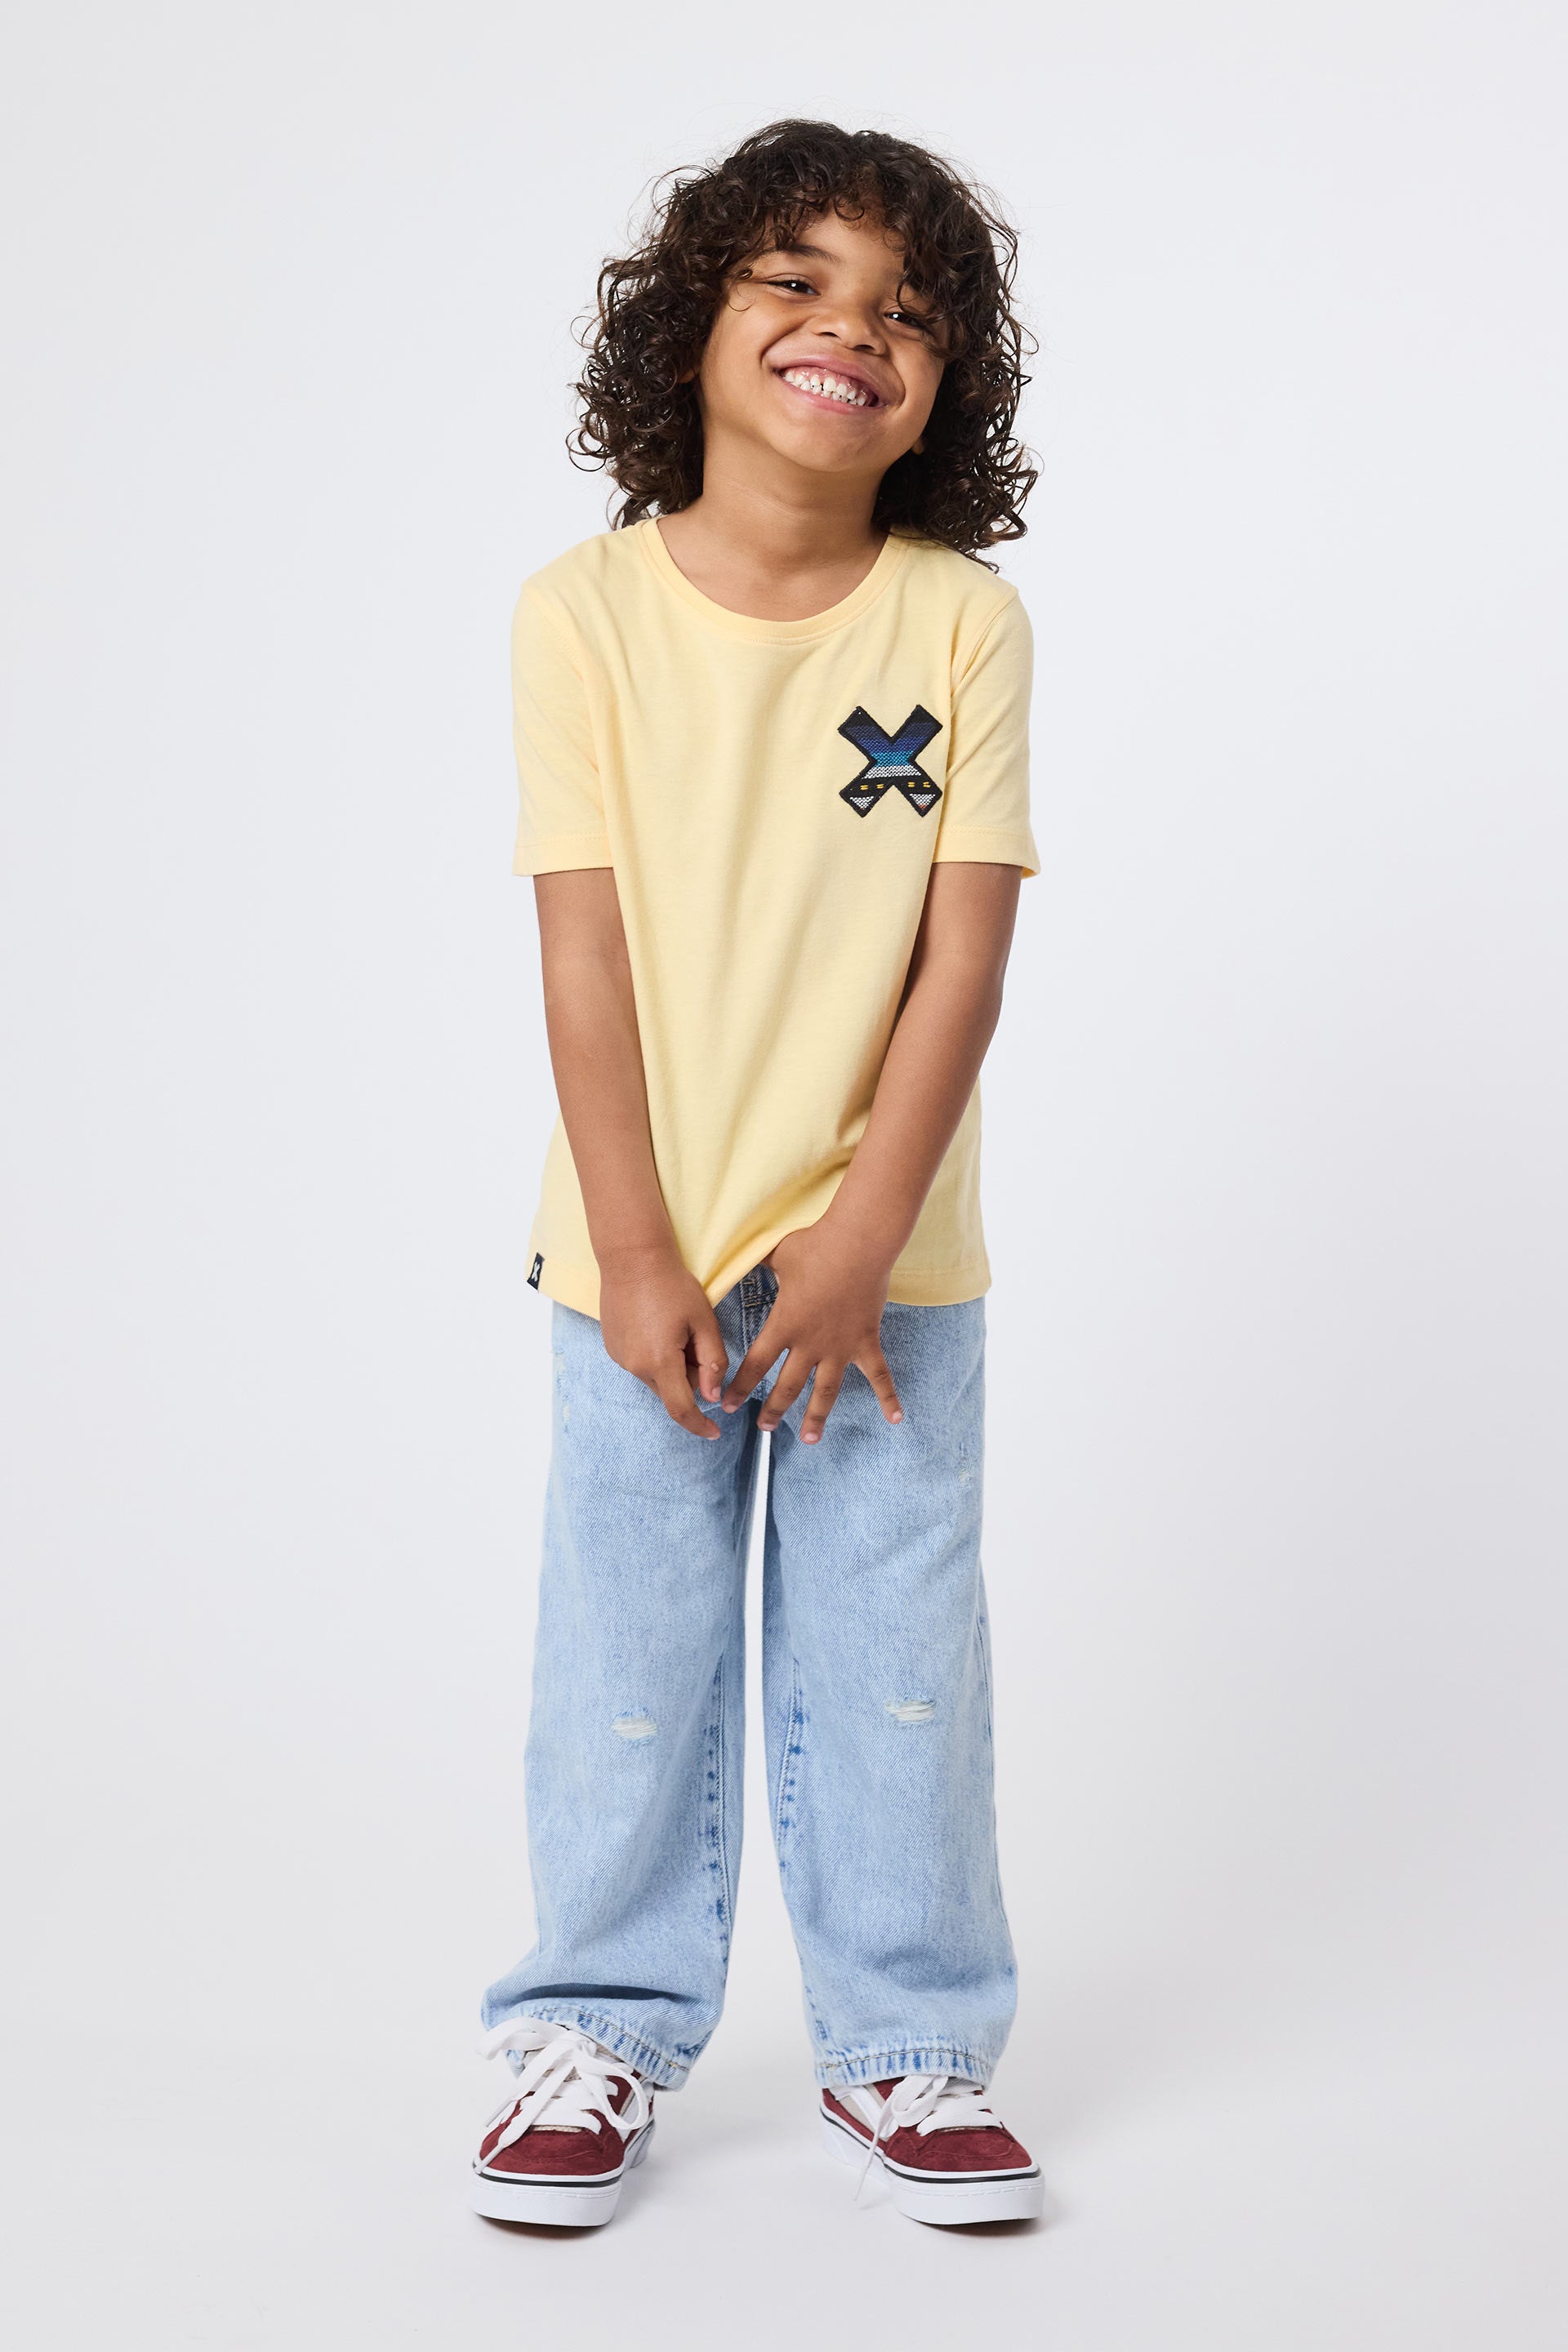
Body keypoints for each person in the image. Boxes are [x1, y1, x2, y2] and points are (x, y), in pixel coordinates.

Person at [472, 118, 1043, 2230]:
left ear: (945, 387)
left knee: (898, 1663)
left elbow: (961, 965)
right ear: (692, 325)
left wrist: (862, 1236)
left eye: (908, 313)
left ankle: (909, 2043)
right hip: (636, 1257)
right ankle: (595, 2027)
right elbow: (584, 954)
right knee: (628, 1659)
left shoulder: (964, 624)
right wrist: (635, 1248)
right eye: (797, 281)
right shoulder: (581, 615)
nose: (851, 330)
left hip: (889, 1265)